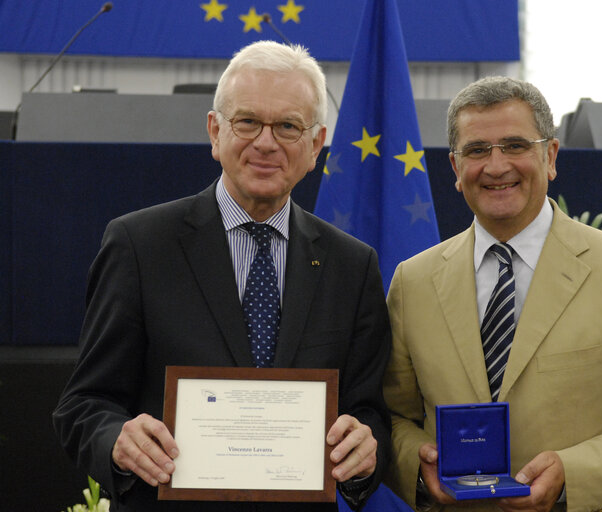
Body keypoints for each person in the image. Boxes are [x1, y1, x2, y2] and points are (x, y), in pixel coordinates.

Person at [53, 41, 391, 512]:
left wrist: (366, 446)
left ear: (316, 146)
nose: (266, 142)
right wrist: (116, 440)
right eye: (247, 121)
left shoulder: (352, 266)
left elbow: (370, 411)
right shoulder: (139, 245)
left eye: (288, 126)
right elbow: (85, 404)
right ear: (215, 132)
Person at [382, 76, 602, 512]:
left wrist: (572, 474)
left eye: (515, 146)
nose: (496, 166)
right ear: (456, 170)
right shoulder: (412, 282)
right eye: (477, 150)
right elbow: (392, 417)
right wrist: (416, 464)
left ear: (550, 156)